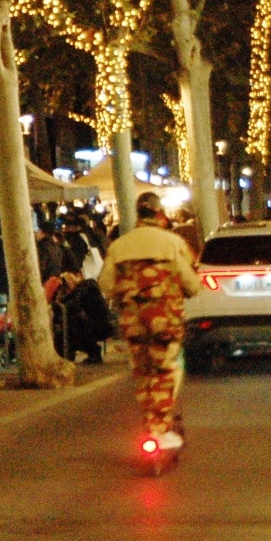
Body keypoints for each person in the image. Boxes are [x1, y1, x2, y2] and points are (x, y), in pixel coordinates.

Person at [99, 192, 202, 450]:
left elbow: (105, 285)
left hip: (133, 323)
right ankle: (161, 428)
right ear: (159, 214)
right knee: (166, 371)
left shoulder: (119, 246)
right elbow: (192, 285)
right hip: (164, 321)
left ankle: (149, 424)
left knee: (142, 372)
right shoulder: (173, 243)